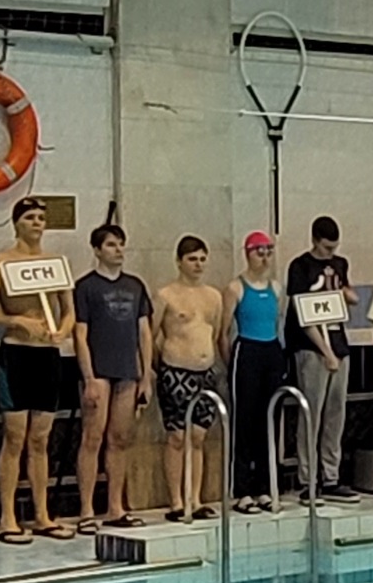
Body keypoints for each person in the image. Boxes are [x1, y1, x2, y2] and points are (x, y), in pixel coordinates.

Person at [0, 195, 73, 543]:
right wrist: (15, 320)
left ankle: (42, 514)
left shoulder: (55, 263)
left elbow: (69, 310)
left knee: (41, 439)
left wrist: (64, 330)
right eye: (30, 217)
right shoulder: (0, 262)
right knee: (15, 437)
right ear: (17, 223)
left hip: (48, 356)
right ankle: (8, 517)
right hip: (16, 354)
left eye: (41, 218)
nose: (37, 223)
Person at [71, 224, 152, 534]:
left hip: (127, 370)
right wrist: (89, 376)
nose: (118, 250)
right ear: (97, 250)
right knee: (92, 438)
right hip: (99, 370)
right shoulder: (86, 287)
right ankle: (86, 509)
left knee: (120, 439)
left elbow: (144, 333)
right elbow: (80, 334)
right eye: (111, 245)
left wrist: (146, 375)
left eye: (121, 244)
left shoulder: (135, 285)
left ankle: (115, 506)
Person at [286, 217, 362, 501]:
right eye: (327, 247)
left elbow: (349, 294)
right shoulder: (300, 267)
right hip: (311, 346)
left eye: (335, 247)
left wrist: (346, 294)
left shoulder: (340, 264)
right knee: (312, 414)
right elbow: (303, 315)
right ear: (315, 240)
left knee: (335, 414)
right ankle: (308, 479)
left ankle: (331, 476)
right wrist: (325, 352)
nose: (331, 252)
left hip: (338, 342)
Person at [154, 236, 225, 521]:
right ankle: (176, 501)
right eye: (192, 259)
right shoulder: (166, 295)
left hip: (205, 372)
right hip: (175, 371)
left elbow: (215, 333)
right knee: (176, 438)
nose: (198, 264)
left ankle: (195, 499)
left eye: (202, 259)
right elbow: (150, 335)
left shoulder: (214, 296)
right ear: (179, 261)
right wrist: (156, 367)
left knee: (198, 437)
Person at [226, 232, 287, 513]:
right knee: (244, 422)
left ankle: (265, 486)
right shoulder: (235, 288)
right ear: (247, 254)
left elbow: (277, 324)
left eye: (268, 251)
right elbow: (223, 332)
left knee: (269, 421)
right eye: (258, 251)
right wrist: (232, 363)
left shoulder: (277, 288)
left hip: (271, 351)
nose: (264, 257)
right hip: (247, 350)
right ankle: (241, 490)